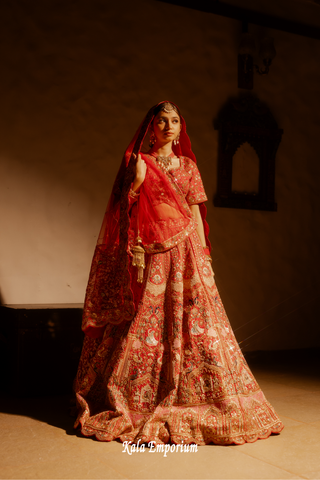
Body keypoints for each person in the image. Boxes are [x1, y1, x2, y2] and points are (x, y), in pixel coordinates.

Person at [73, 101, 284, 445]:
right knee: (145, 319)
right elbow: (122, 209)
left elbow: (195, 214)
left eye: (174, 121)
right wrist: (138, 181)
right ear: (150, 127)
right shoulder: (138, 162)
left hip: (186, 252)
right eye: (162, 121)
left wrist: (206, 259)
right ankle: (135, 395)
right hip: (150, 254)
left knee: (197, 319)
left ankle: (206, 394)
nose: (169, 126)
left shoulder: (188, 166)